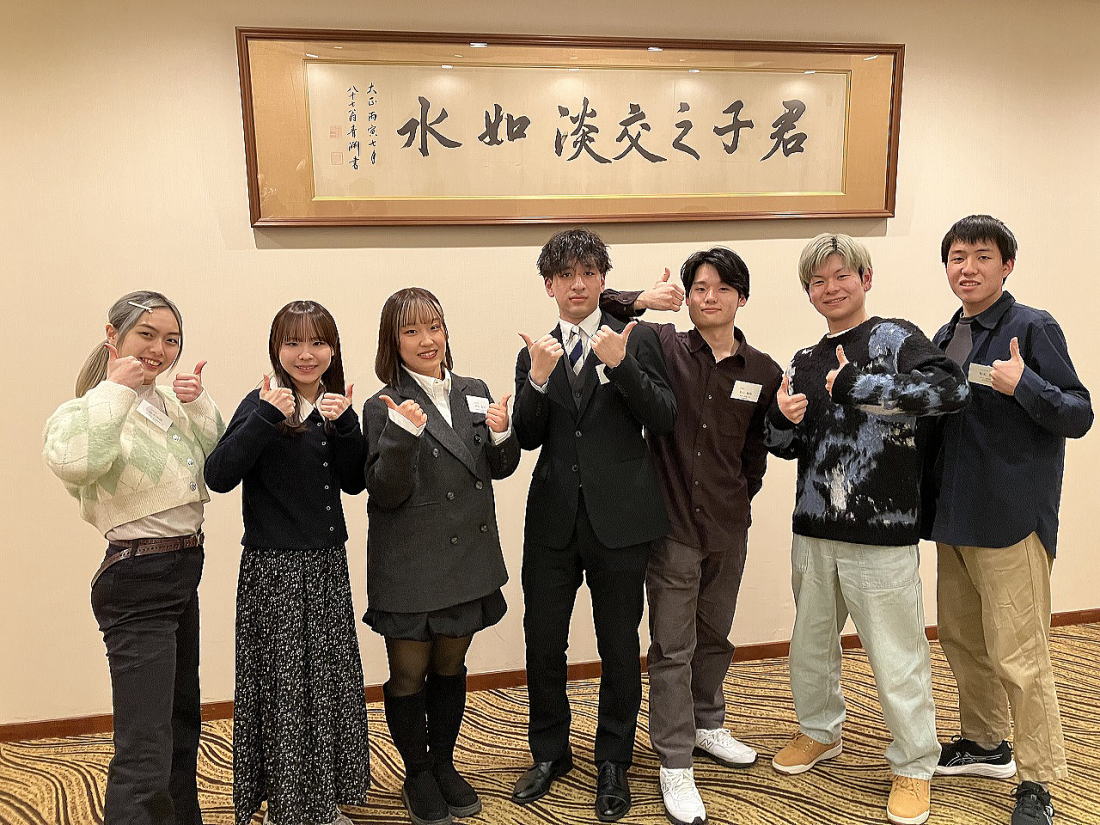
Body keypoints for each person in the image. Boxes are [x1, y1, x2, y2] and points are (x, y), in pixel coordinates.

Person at [765, 234, 968, 825]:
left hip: (883, 530)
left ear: (865, 279)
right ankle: (819, 731)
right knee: (810, 645)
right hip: (814, 527)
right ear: (808, 292)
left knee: (897, 654)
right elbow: (785, 446)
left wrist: (859, 387)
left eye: (841, 276)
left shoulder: (895, 338)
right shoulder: (805, 358)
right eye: (818, 281)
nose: (830, 288)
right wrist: (782, 419)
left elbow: (951, 390)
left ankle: (915, 764)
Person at [601, 250, 782, 825]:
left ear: (741, 298)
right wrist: (642, 299)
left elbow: (756, 453)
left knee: (716, 636)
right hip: (674, 526)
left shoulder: (763, 370)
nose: (709, 297)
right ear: (688, 297)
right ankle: (674, 760)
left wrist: (738, 498)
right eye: (699, 287)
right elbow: (606, 310)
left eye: (722, 288)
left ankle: (708, 722)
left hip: (729, 525)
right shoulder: (662, 345)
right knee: (672, 647)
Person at [923, 215, 1092, 825]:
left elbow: (1078, 413)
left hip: (1011, 519)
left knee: (1020, 655)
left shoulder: (1032, 326)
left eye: (982, 256)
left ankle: (1037, 780)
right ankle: (985, 741)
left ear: (1007, 265)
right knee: (964, 641)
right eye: (957, 257)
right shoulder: (947, 335)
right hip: (953, 517)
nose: (967, 268)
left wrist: (1025, 385)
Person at [510, 228, 676, 822]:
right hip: (552, 521)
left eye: (587, 273)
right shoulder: (536, 351)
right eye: (564, 276)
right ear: (549, 286)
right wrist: (535, 379)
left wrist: (621, 366)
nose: (576, 285)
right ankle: (550, 753)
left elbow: (664, 416)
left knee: (618, 645)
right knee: (543, 642)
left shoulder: (637, 339)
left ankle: (613, 761)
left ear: (603, 280)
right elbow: (527, 437)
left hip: (622, 520)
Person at [43, 291, 224, 825]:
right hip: (136, 576)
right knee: (144, 744)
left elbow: (218, 462)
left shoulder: (168, 403)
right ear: (112, 335)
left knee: (180, 724)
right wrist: (115, 390)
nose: (159, 349)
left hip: (182, 569)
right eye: (147, 334)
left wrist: (197, 403)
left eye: (171, 340)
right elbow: (76, 462)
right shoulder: (84, 410)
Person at [204, 301, 369, 825]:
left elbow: (355, 482)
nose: (306, 354)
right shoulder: (262, 402)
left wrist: (346, 425)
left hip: (326, 567)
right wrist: (267, 416)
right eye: (293, 342)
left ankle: (320, 798)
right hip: (273, 570)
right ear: (276, 349)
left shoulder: (336, 405)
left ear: (333, 350)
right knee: (283, 688)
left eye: (318, 342)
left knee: (326, 683)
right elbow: (219, 475)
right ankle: (288, 805)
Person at [362, 287, 520, 825]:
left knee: (451, 667)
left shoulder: (474, 390)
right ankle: (417, 773)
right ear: (393, 342)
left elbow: (499, 468)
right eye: (411, 331)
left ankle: (445, 764)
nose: (426, 340)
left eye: (434, 326)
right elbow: (385, 492)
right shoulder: (383, 404)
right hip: (411, 562)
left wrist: (501, 433)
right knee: (409, 675)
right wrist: (402, 434)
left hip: (467, 558)